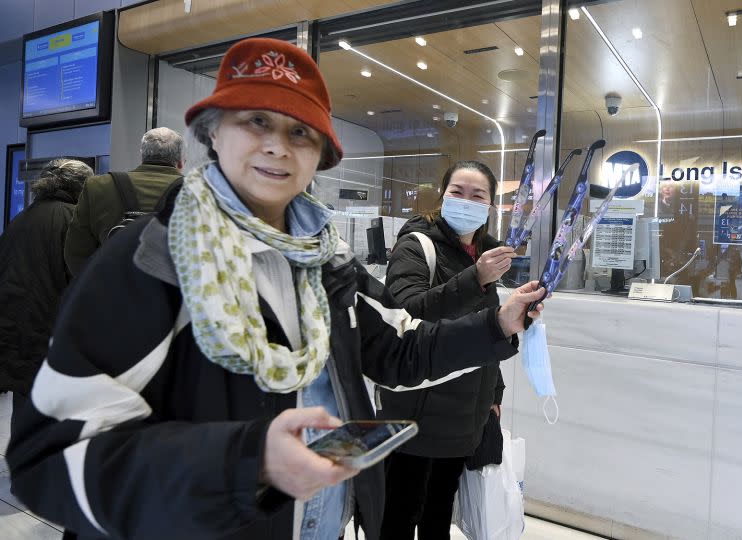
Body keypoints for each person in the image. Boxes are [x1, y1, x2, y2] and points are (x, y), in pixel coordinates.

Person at [6, 37, 544, 540]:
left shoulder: (325, 265)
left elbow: (399, 352)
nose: (277, 147)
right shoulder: (151, 261)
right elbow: (48, 457)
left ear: (317, 157)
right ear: (213, 133)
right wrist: (249, 460)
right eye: (255, 121)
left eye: (299, 132)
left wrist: (496, 324)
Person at [378, 160, 516, 539]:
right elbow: (407, 315)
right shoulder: (416, 245)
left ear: (490, 205)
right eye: (457, 192)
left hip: (465, 413)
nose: (466, 201)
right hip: (417, 409)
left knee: (440, 514)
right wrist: (477, 278)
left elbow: (484, 325)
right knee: (400, 514)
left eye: (478, 195)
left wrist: (495, 391)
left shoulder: (485, 252)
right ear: (443, 195)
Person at [0, 159, 94, 413]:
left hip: (16, 327)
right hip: (52, 331)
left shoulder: (20, 220)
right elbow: (83, 280)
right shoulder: (74, 220)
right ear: (81, 188)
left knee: (24, 404)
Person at [64, 126, 184, 275]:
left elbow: (76, 252)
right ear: (180, 162)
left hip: (112, 290)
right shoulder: (199, 191)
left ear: (142, 157)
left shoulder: (97, 186)